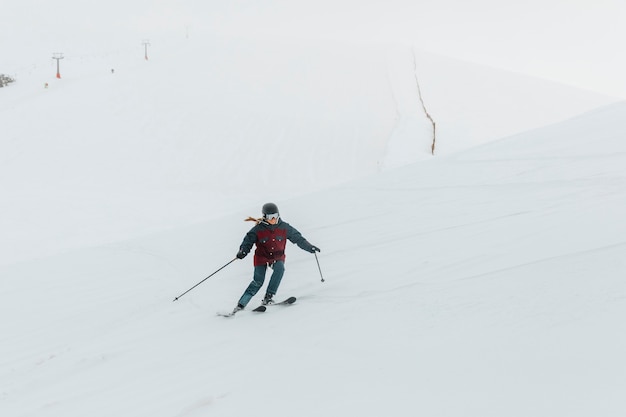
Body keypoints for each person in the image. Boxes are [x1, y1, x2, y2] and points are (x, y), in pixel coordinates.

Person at [233, 202, 320, 313]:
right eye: (270, 217)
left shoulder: (284, 227)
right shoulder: (258, 230)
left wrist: (310, 247)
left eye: (275, 216)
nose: (273, 219)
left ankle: (268, 297)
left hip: (277, 257)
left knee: (280, 269)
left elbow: (298, 238)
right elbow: (247, 242)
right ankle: (241, 305)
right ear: (264, 217)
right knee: (258, 281)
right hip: (261, 258)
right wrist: (242, 252)